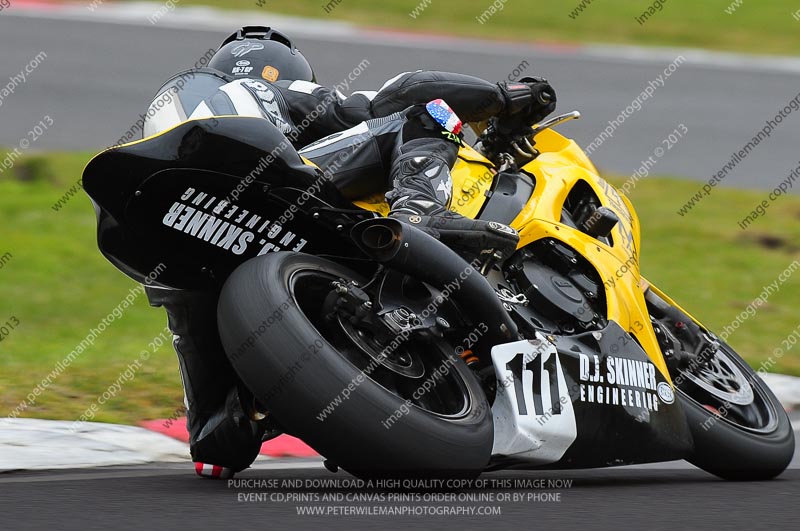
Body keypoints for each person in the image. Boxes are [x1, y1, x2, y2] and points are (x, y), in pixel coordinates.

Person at [141, 26, 557, 478]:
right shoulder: (265, 89)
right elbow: (401, 94)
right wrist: (502, 96)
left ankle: (244, 408)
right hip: (264, 179)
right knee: (428, 112)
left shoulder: (177, 106)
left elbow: (218, 455)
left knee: (214, 444)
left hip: (182, 227)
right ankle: (418, 207)